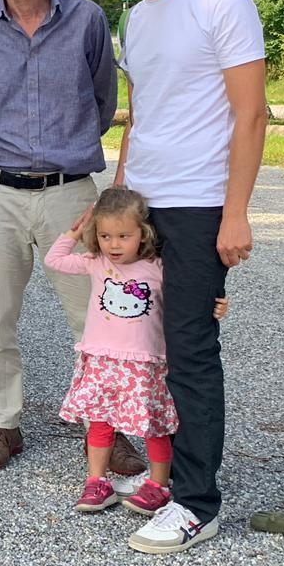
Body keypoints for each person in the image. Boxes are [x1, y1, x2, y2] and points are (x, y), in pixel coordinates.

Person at [0, 0, 144, 475]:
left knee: (99, 318)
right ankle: (3, 424)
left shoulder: (86, 20)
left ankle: (107, 425)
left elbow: (102, 100)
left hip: (72, 195)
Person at [112, 0, 267, 555]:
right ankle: (164, 474)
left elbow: (251, 114)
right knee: (148, 351)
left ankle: (198, 502)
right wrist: (115, 202)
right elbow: (141, 112)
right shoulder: (134, 19)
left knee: (193, 355)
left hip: (201, 204)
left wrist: (236, 214)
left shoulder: (222, 3)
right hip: (143, 206)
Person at [44, 188, 229, 521]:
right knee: (100, 423)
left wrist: (213, 306)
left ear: (143, 234)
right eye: (105, 236)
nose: (113, 244)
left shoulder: (158, 268)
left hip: (145, 362)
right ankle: (96, 481)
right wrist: (75, 230)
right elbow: (53, 260)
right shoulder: (95, 262)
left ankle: (159, 484)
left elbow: (189, 295)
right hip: (102, 359)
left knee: (153, 425)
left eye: (123, 236)